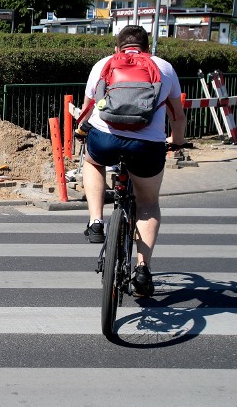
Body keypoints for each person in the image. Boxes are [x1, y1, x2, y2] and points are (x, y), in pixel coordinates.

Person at [76, 25, 187, 297]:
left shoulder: (102, 64)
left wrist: (82, 130)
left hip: (106, 139)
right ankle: (142, 269)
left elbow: (89, 107)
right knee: (148, 203)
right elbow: (177, 115)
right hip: (147, 145)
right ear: (148, 49)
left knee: (92, 162)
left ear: (117, 48)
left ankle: (96, 222)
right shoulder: (164, 68)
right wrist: (178, 141)